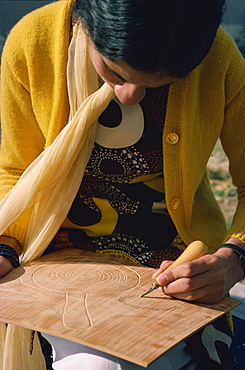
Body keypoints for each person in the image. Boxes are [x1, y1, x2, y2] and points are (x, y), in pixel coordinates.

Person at [0, 0, 244, 369]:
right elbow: (17, 171)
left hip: (175, 266)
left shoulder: (217, 59)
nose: (130, 95)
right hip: (54, 261)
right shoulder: (35, 44)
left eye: (163, 84)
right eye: (114, 72)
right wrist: (6, 244)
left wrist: (232, 259)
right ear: (85, 24)